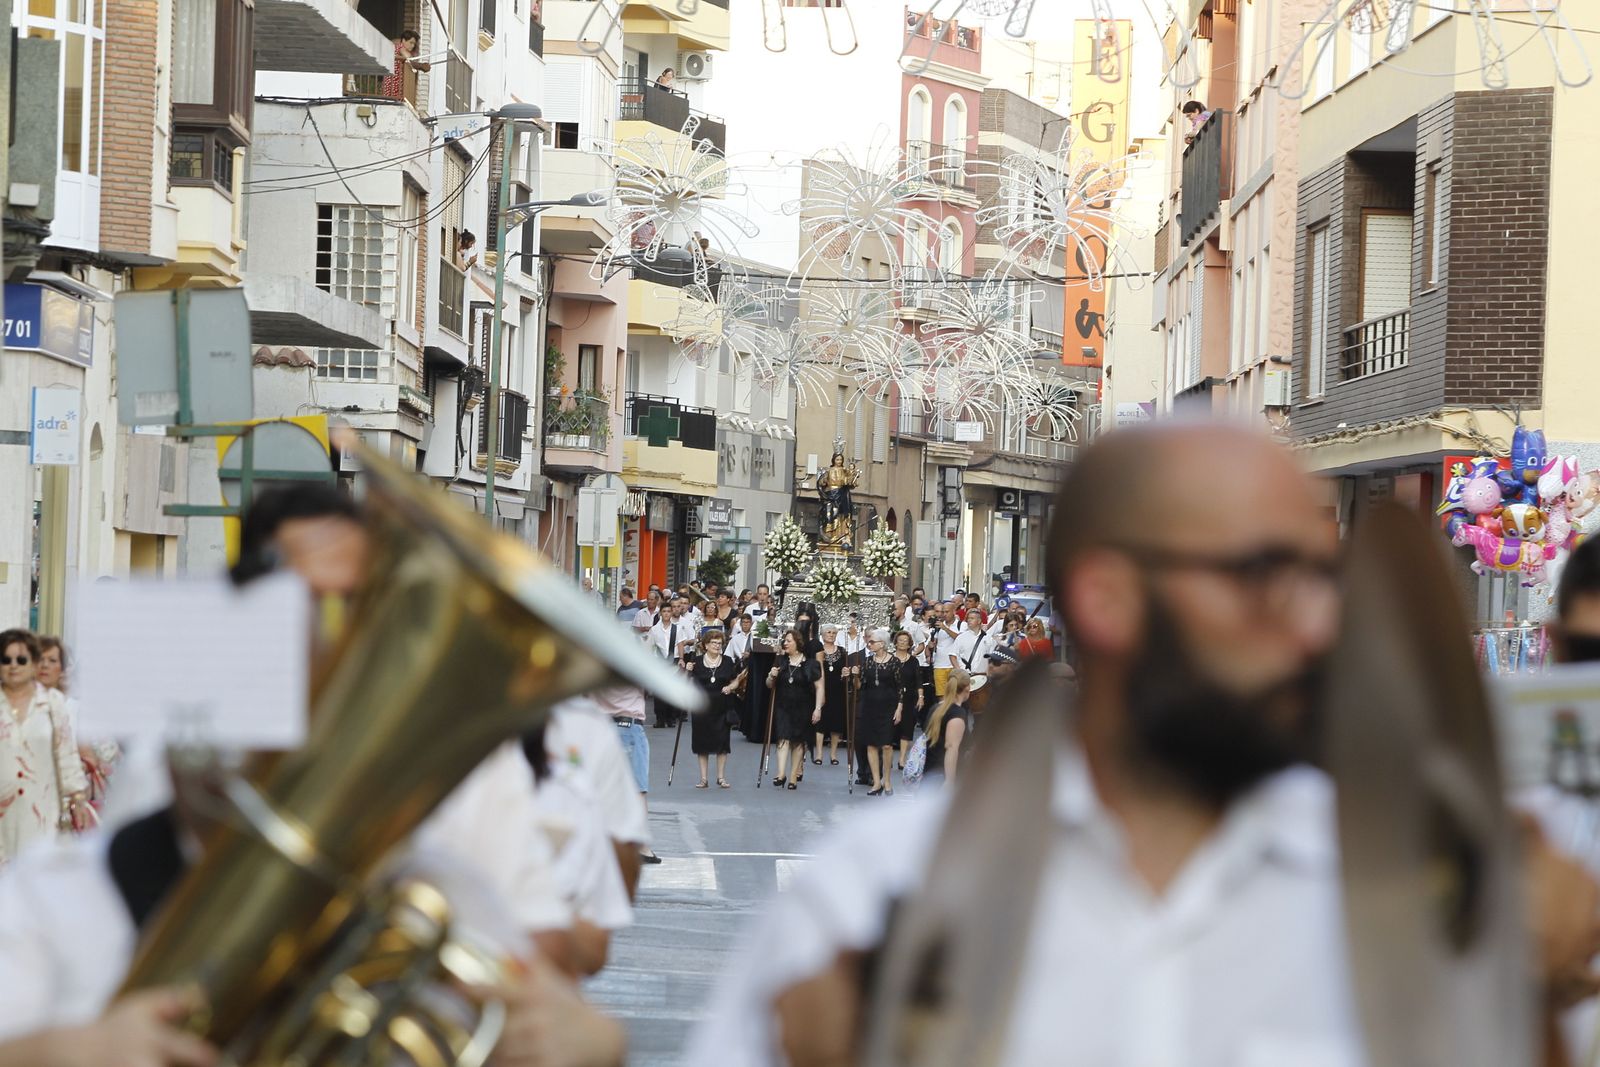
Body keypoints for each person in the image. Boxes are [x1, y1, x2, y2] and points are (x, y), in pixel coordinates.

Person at [0, 630, 92, 865]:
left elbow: (66, 753)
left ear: (32, 663)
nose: (13, 666)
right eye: (6, 659)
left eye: (21, 659)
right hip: (2, 814)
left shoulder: (52, 703)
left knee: (36, 874)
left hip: (41, 811)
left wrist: (78, 798)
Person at [765, 631, 822, 790]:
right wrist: (771, 676)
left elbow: (819, 687)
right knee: (783, 738)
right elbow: (769, 685)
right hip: (783, 706)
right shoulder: (781, 661)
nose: (785, 643)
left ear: (798, 643)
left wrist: (818, 708)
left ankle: (792, 777)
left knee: (798, 741)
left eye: (789, 641)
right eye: (785, 641)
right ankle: (781, 773)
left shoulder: (811, 664)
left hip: (803, 707)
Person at [689, 631, 743, 789]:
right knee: (701, 743)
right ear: (706, 645)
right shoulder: (696, 662)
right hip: (701, 707)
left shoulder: (727, 661)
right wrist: (687, 670)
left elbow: (735, 680)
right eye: (714, 643)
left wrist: (730, 687)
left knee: (722, 743)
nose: (717, 646)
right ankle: (703, 779)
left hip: (722, 706)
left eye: (720, 643)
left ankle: (721, 777)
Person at [856, 630, 902, 796]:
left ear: (882, 643)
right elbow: (860, 686)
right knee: (871, 744)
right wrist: (853, 676)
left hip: (888, 707)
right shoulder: (867, 662)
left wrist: (899, 708)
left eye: (872, 642)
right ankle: (876, 782)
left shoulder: (894, 662)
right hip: (869, 706)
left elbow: (900, 687)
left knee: (887, 745)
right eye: (869, 642)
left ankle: (887, 780)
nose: (869, 644)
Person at [921, 668, 974, 787]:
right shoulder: (957, 714)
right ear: (967, 688)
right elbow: (951, 748)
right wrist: (949, 782)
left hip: (929, 774)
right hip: (943, 776)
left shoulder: (935, 708)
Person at [814, 625, 848, 767]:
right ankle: (819, 754)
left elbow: (845, 671)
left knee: (836, 723)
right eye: (828, 632)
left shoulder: (842, 651)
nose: (831, 634)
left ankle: (833, 754)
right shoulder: (817, 651)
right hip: (821, 689)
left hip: (837, 690)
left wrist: (845, 674)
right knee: (820, 722)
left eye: (834, 632)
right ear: (822, 635)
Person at [891, 629, 924, 773]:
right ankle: (888, 758)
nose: (903, 643)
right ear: (895, 643)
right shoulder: (890, 659)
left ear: (910, 644)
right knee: (890, 728)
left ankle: (902, 759)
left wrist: (921, 697)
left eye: (906, 641)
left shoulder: (913, 661)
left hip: (909, 698)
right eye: (900, 640)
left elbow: (918, 680)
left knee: (907, 728)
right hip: (892, 698)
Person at [381, 29, 429, 100]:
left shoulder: (396, 47)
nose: (412, 46)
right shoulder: (401, 47)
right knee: (394, 102)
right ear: (403, 40)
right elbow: (408, 58)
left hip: (393, 84)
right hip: (394, 84)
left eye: (414, 44)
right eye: (411, 42)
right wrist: (421, 66)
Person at [929, 602, 960, 697]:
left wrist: (945, 628)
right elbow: (934, 643)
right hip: (939, 665)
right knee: (941, 696)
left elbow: (960, 639)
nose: (944, 614)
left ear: (954, 612)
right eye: (943, 612)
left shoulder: (961, 624)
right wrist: (930, 645)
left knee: (955, 695)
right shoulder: (938, 626)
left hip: (954, 666)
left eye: (947, 612)